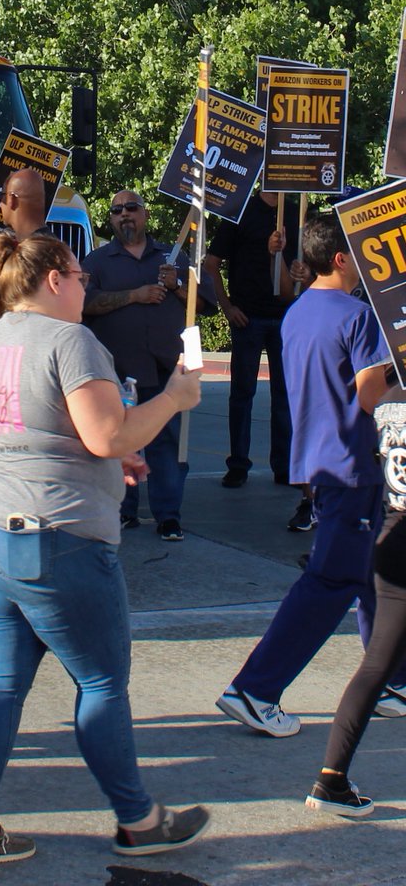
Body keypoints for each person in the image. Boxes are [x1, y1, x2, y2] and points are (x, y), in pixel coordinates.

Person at [0, 231, 209, 868]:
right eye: (80, 277)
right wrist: (173, 398)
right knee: (101, 681)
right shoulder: (72, 340)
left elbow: (32, 429)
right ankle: (138, 820)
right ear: (55, 280)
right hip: (49, 538)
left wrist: (114, 456)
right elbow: (106, 434)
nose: (87, 286)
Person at [216, 215, 406, 736]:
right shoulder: (358, 315)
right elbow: (369, 397)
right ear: (342, 259)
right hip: (351, 463)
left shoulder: (298, 310)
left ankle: (393, 680)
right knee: (333, 581)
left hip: (320, 462)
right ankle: (256, 689)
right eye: (360, 253)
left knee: (372, 572)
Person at [82, 190, 216, 542]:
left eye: (131, 208)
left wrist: (177, 285)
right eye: (117, 210)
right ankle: (122, 510)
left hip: (164, 370)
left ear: (145, 214)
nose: (124, 214)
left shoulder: (174, 257)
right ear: (111, 218)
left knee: (166, 444)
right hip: (115, 373)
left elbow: (205, 303)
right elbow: (84, 304)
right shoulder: (96, 262)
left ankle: (168, 516)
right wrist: (134, 295)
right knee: (119, 444)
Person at [302, 384, 406, 816]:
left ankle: (332, 778)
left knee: (376, 665)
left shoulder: (389, 397)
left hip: (394, 536)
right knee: (378, 666)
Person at [203, 190, 311, 527]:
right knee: (242, 393)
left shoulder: (298, 211)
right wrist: (227, 307)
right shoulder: (239, 211)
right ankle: (238, 464)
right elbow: (211, 263)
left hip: (287, 316)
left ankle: (284, 466)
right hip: (247, 317)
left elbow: (310, 265)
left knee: (285, 395)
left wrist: (303, 272)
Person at [0, 168, 49, 239]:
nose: (0, 204)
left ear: (12, 199)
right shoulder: (56, 244)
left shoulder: (28, 245)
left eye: (1, 196)